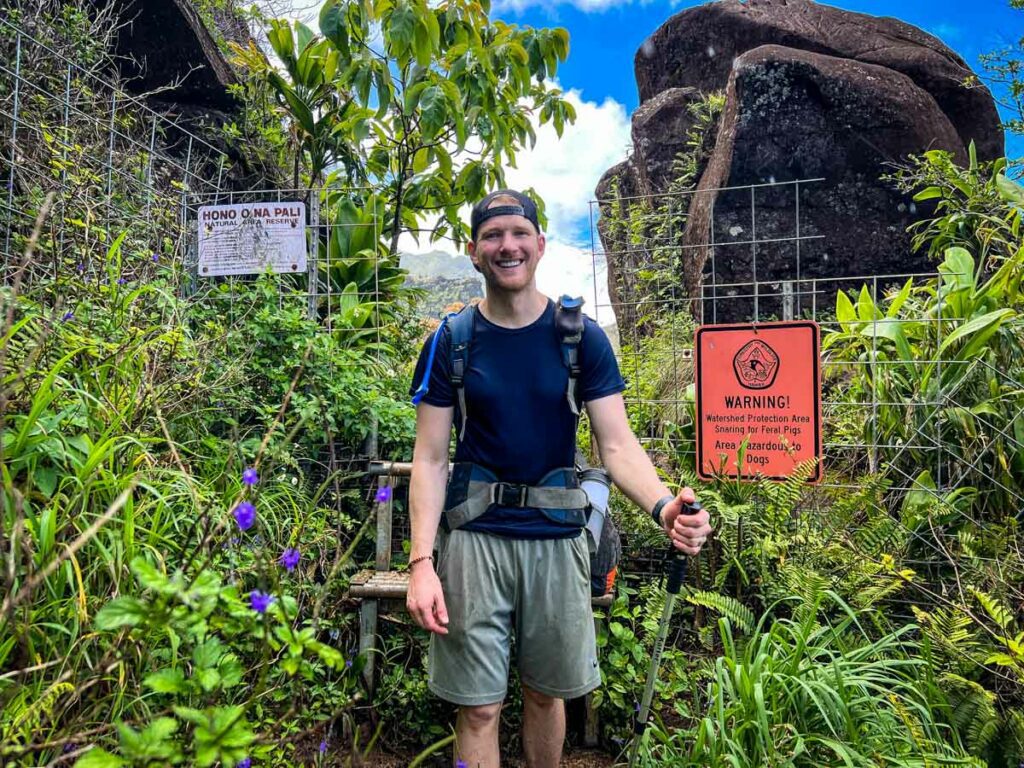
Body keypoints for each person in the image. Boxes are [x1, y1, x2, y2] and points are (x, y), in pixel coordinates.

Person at [406, 189, 713, 768]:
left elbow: (617, 444)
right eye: (493, 236)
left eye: (519, 233)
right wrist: (422, 564)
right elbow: (429, 458)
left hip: (556, 538)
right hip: (474, 539)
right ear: (473, 252)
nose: (507, 246)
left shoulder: (580, 338)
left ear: (540, 245)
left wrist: (664, 506)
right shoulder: (451, 341)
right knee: (477, 708)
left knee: (546, 695)